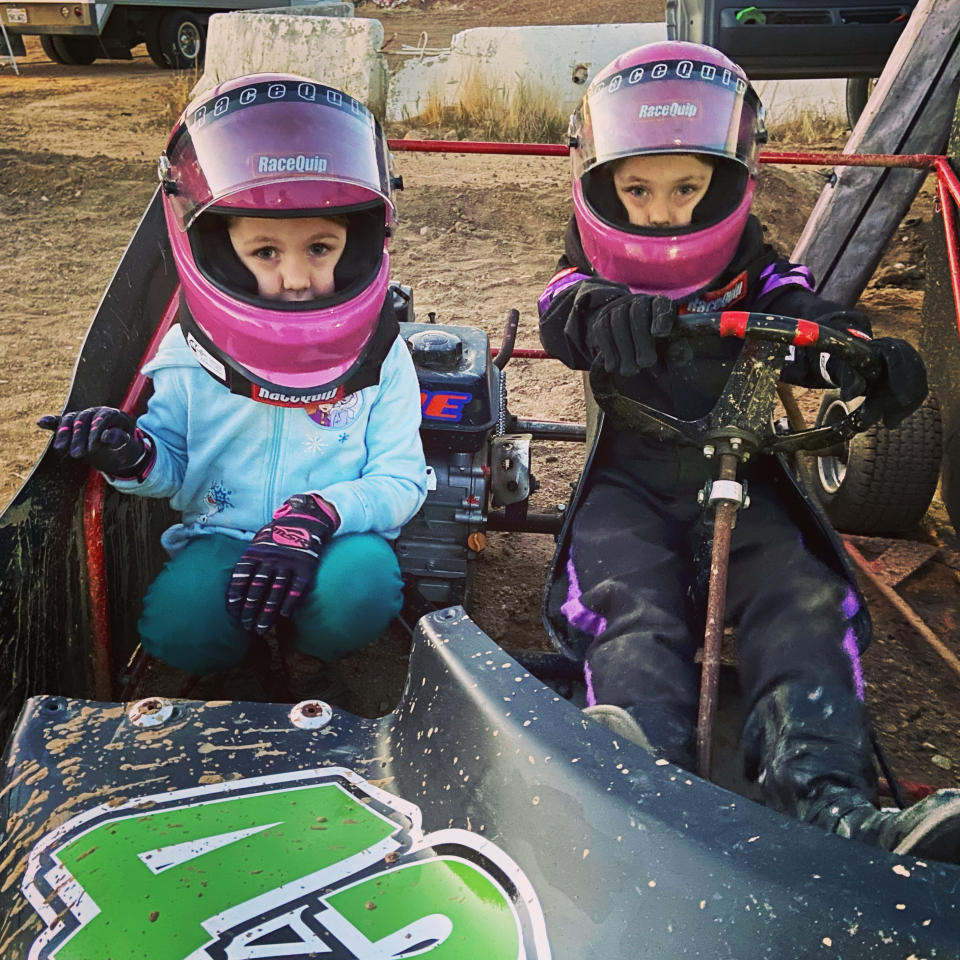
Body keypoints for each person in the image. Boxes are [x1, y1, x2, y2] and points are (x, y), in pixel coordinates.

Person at [538, 40, 960, 861]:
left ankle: (829, 799)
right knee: (632, 606)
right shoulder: (584, 269)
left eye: (688, 189)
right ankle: (641, 783)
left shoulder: (753, 265)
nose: (663, 213)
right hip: (628, 484)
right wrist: (601, 312)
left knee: (802, 596)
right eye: (638, 190)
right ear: (602, 183)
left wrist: (859, 354)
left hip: (746, 476)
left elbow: (810, 315)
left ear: (728, 179)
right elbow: (562, 312)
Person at [38, 74, 428, 695]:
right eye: (266, 252)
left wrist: (315, 514)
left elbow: (402, 482)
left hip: (335, 539)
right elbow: (172, 467)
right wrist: (128, 453)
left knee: (361, 590)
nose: (298, 277)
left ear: (359, 241)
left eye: (322, 247)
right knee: (179, 630)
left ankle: (307, 655)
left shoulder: (384, 356)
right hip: (220, 534)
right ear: (218, 249)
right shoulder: (186, 354)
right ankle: (241, 662)